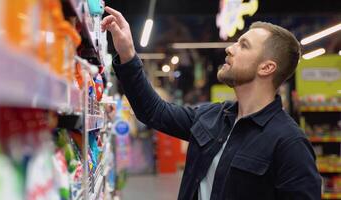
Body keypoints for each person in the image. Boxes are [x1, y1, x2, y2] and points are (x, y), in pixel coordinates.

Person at [102, 6, 321, 200]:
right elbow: (154, 111)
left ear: (266, 68)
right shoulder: (211, 117)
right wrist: (128, 54)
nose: (230, 48)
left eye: (243, 46)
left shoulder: (290, 144)